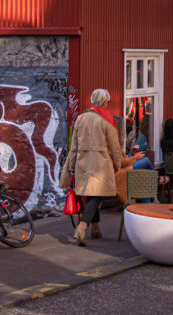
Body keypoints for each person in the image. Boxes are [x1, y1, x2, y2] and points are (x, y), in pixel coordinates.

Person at [60, 89, 122, 246]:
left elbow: (74, 145)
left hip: (83, 161)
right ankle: (82, 227)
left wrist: (72, 165)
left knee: (90, 194)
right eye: (108, 102)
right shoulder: (107, 120)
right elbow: (114, 146)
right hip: (100, 162)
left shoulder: (81, 118)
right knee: (96, 196)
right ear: (103, 102)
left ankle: (95, 228)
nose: (108, 105)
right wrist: (118, 163)